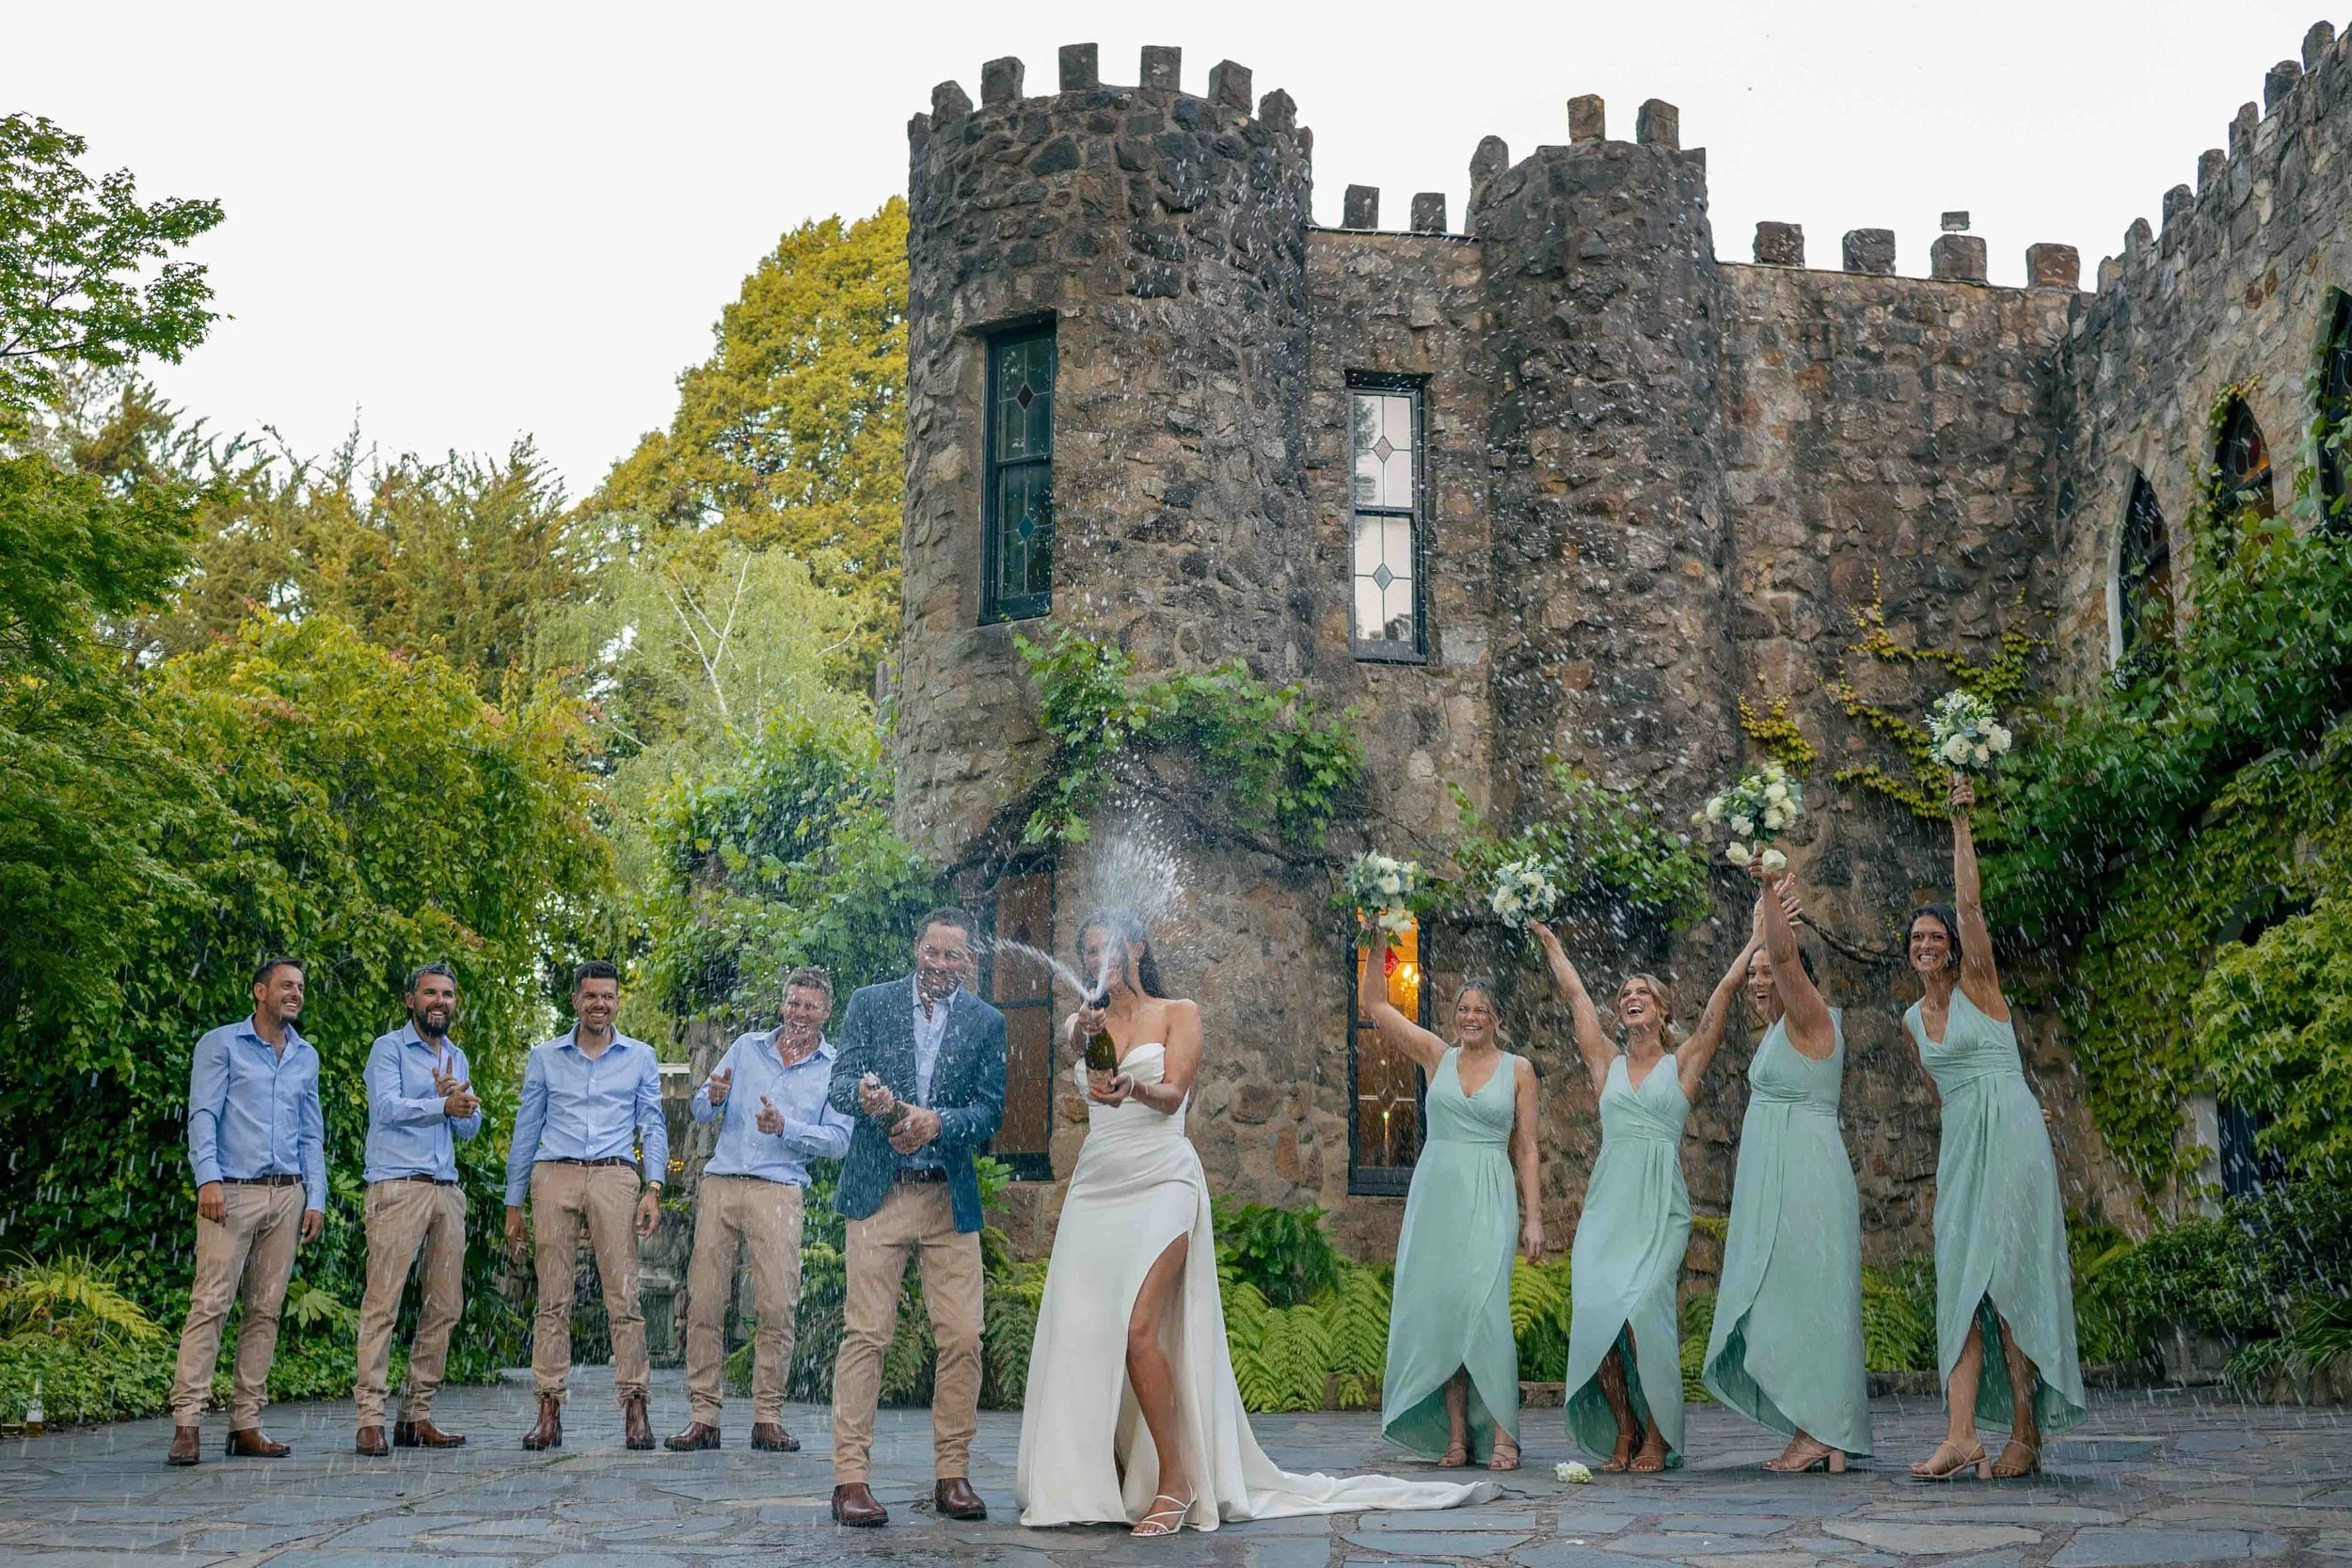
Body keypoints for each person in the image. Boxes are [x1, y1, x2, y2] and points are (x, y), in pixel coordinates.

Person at [1016, 908, 1497, 1537]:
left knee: (1138, 1328)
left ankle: (1177, 1480)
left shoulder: (1179, 1011)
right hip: (1096, 1183)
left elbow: (1173, 1095)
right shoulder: (1091, 1021)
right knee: (1082, 1330)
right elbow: (1071, 1057)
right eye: (1089, 951)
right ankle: (1101, 1474)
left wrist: (1131, 1090)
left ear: (1135, 947)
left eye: (1108, 947)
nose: (1098, 960)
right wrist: (1079, 1033)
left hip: (1162, 1178)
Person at [1902, 773, 2086, 1481]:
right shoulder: (1913, 1021)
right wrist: (1993, 1105)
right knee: (1961, 1282)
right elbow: (1947, 1093)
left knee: (2013, 1281)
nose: (1926, 944)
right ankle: (1959, 1434)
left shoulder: (1981, 984)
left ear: (1953, 945)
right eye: (1916, 937)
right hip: (1966, 1148)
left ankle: (2025, 1432)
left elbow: (1972, 901)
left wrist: (1960, 823)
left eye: (1935, 934)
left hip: (2009, 1138)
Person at [1533, 919, 1751, 1475]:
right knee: (1599, 1316)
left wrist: (1751, 943)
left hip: (1660, 1207)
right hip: (1608, 1207)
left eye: (1642, 994)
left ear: (1662, 1010)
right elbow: (1576, 996)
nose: (1632, 1000)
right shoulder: (1606, 1062)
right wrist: (1554, 945)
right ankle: (1624, 1426)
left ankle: (1658, 1433)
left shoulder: (1683, 1064)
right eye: (1625, 995)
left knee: (1648, 1312)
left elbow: (1721, 1000)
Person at [825, 908, 1007, 1528]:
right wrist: (869, 1099)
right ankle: (850, 1479)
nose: (940, 964)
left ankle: (952, 1473)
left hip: (946, 1200)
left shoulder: (987, 1022)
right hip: (880, 1193)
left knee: (962, 1336)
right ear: (916, 948)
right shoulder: (869, 1003)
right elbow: (839, 1082)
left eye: (953, 956)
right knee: (866, 1335)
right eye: (933, 952)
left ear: (968, 961)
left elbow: (988, 1113)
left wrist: (940, 1122)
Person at [1701, 869, 1872, 1474]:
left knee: (1812, 1299)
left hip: (1808, 1176)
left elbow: (1784, 955)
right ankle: (1815, 1424)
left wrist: (1769, 893)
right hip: (1774, 1177)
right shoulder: (1777, 1033)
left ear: (1798, 978)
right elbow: (1768, 955)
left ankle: (1820, 1429)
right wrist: (1757, 932)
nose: (1758, 981)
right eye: (1753, 976)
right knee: (1783, 1296)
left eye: (1767, 973)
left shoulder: (1812, 1019)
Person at [1356, 945, 1540, 1470]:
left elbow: (1526, 1148)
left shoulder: (1519, 1069)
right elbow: (1375, 1003)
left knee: (1486, 1310)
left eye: (1481, 1010)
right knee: (1445, 1311)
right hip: (1437, 1195)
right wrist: (1374, 940)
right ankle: (1456, 1436)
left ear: (1497, 1019)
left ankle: (1505, 1431)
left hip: (1490, 1192)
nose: (1471, 1017)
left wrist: (1535, 1217)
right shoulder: (1437, 1055)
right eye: (1463, 1009)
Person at [667, 966, 854, 1454]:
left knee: (776, 1304)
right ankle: (703, 1416)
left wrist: (786, 1127)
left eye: (810, 1006)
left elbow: (838, 1141)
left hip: (780, 1190)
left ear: (826, 1011)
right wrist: (714, 1097)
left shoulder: (835, 1067)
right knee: (705, 1301)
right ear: (783, 1004)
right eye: (794, 1003)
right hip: (722, 1185)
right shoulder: (746, 1047)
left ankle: (767, 1416)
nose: (800, 1013)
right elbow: (702, 1111)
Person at [166, 956, 326, 1465]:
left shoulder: (306, 1056)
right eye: (285, 985)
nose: (295, 993)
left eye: (300, 986)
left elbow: (311, 1131)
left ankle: (246, 1423)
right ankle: (187, 1422)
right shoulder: (221, 1044)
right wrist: (207, 1177)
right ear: (259, 992)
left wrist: (315, 1196)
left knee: (265, 1310)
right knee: (210, 1304)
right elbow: (203, 1114)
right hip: (230, 1192)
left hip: (288, 1194)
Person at [504, 959, 668, 1452]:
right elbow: (526, 1129)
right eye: (591, 995)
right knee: (553, 1299)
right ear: (575, 1000)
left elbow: (653, 1124)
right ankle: (549, 1408)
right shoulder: (546, 1057)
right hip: (554, 1174)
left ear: (618, 1001)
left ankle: (635, 1408)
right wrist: (514, 1202)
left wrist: (654, 1186)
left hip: (615, 1175)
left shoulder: (639, 1057)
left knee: (624, 1299)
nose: (600, 1003)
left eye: (608, 996)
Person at [353, 962, 482, 1456]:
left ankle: (416, 1413)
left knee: (445, 1306)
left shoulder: (456, 1055)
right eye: (430, 993)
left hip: (446, 1192)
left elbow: (467, 1128)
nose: (440, 1002)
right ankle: (370, 1418)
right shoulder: (388, 1048)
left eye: (447, 995)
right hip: (397, 1187)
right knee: (382, 1304)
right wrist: (438, 1103)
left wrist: (461, 1102)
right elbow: (384, 1108)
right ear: (411, 1000)